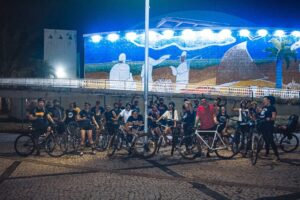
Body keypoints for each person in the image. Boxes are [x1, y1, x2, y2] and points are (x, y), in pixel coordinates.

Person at [258, 96, 280, 161]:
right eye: (263, 100)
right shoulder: (264, 107)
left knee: (271, 140)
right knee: (265, 140)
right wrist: (258, 113)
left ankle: (277, 155)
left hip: (269, 126)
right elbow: (261, 115)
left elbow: (274, 117)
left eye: (264, 100)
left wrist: (269, 118)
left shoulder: (272, 108)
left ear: (269, 101)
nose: (263, 101)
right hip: (262, 125)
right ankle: (267, 153)